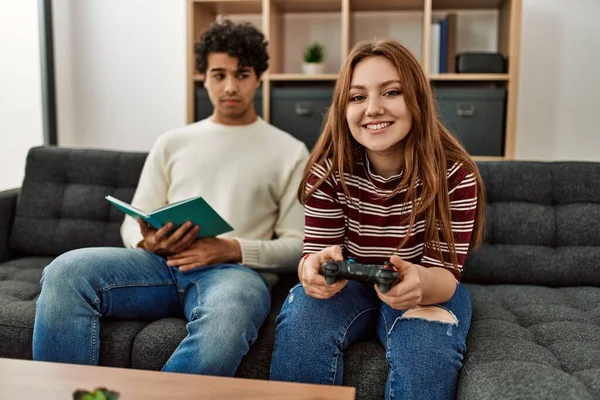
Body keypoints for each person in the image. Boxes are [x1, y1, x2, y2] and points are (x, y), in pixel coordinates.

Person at [32, 19, 309, 376]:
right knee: (65, 270)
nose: (230, 86)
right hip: (160, 266)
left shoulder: (289, 151)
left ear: (258, 78)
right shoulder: (173, 142)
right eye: (218, 74)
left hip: (233, 274)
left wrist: (231, 248)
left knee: (228, 316)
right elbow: (131, 226)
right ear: (204, 78)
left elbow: (299, 245)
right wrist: (147, 242)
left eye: (242, 74)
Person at [269, 38, 485, 400]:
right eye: (357, 97)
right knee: (302, 325)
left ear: (416, 99)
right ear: (343, 108)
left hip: (425, 285)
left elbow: (445, 276)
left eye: (391, 92)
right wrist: (311, 270)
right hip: (348, 286)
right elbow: (316, 254)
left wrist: (419, 283)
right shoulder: (329, 172)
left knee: (426, 351)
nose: (372, 108)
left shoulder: (455, 174)